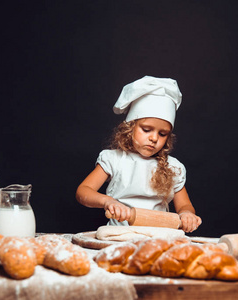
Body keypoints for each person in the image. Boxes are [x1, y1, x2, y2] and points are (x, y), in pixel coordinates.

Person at [76, 76, 202, 233]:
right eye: (146, 129)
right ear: (130, 128)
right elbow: (83, 191)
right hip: (120, 235)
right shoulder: (115, 159)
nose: (154, 138)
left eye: (162, 134)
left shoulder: (173, 167)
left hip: (161, 237)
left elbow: (184, 205)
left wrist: (187, 214)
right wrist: (108, 201)